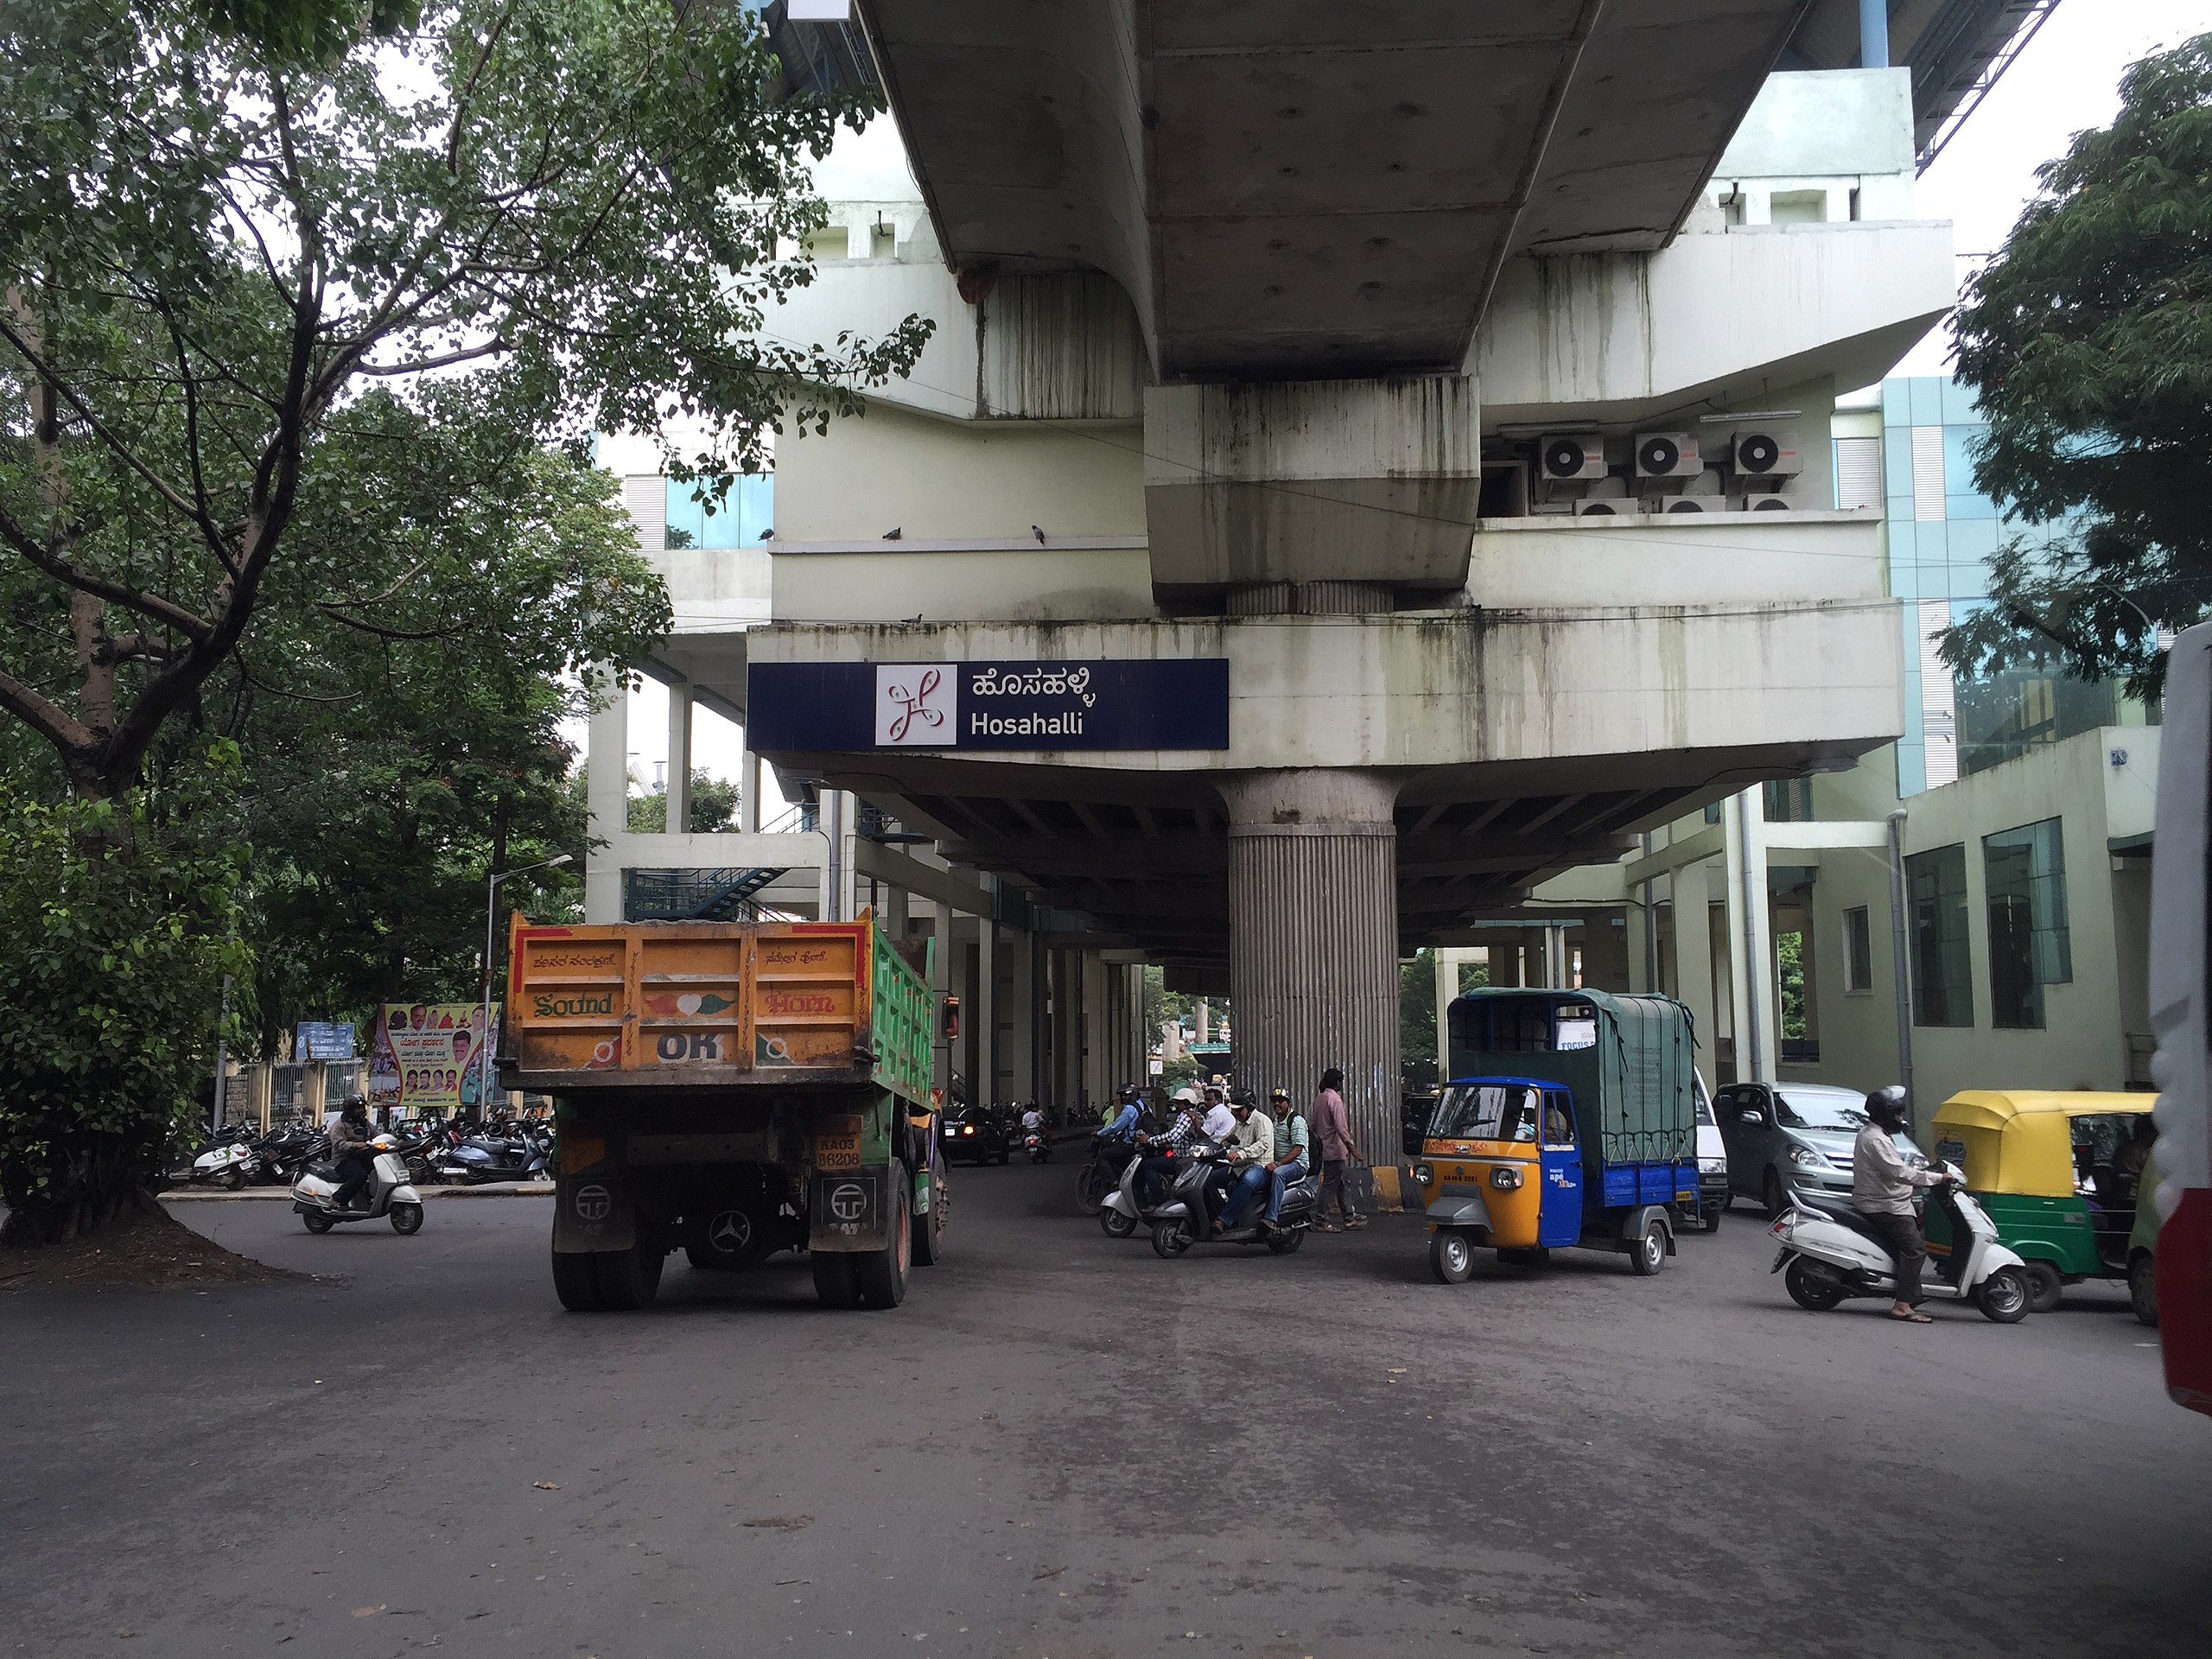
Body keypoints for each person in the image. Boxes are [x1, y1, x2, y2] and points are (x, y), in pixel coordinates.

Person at [1853, 1086, 1946, 1323]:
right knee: (1915, 1249)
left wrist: (1927, 1173)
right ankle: (1902, 1305)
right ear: (1885, 1114)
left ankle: (1911, 1293)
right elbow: (1898, 1172)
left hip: (1889, 1200)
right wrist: (1936, 1179)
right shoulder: (1876, 1140)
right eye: (1897, 1113)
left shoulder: (1876, 1134)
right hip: (1884, 1205)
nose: (1901, 1118)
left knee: (1911, 1243)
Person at [1212, 1090, 1277, 1236]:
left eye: (1239, 1110)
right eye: (1234, 1110)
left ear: (1249, 1108)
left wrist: (1240, 1153)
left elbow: (1263, 1144)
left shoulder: (1262, 1120)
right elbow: (1229, 1138)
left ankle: (1224, 1219)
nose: (1235, 1113)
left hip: (1259, 1166)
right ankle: (1218, 1212)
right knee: (1209, 1180)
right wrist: (1212, 1146)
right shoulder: (1239, 1123)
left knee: (1247, 1181)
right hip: (1238, 1166)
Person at [1311, 1067, 1365, 1232]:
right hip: (1334, 1150)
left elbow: (1313, 1125)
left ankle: (1349, 1217)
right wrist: (1353, 1149)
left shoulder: (1319, 1100)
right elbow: (1341, 1128)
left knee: (1342, 1183)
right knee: (1331, 1185)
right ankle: (1321, 1219)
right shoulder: (1335, 1100)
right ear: (1337, 1082)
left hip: (1324, 1149)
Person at [1261, 1085, 1309, 1232]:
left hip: (1297, 1164)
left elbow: (1298, 1149)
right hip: (1281, 1162)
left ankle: (1271, 1218)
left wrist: (1278, 1164)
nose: (1277, 1104)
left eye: (1281, 1101)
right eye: (1274, 1101)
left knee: (1278, 1174)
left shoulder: (1296, 1121)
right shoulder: (1274, 1121)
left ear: (1289, 1103)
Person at [329, 1094, 377, 1215]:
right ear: (350, 1110)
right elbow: (338, 1145)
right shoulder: (339, 1126)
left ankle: (368, 1197)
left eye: (362, 1108)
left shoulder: (365, 1124)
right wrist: (355, 1145)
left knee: (379, 1168)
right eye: (357, 1108)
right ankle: (337, 1199)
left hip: (362, 1156)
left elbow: (376, 1134)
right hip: (343, 1159)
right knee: (359, 1175)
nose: (361, 1111)